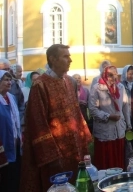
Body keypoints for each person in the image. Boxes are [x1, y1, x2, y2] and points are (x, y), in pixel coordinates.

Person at [20, 44, 92, 192]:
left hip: (75, 149)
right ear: (53, 59)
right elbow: (37, 124)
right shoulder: (40, 85)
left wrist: (84, 138)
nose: (70, 60)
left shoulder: (69, 81)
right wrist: (51, 156)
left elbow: (76, 113)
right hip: (56, 155)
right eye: (65, 56)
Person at [89, 65, 131, 170]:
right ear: (104, 75)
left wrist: (129, 125)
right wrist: (108, 116)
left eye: (115, 75)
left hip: (119, 130)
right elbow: (92, 109)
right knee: (106, 162)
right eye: (110, 75)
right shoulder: (97, 88)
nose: (113, 78)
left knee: (119, 161)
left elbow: (126, 106)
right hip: (105, 131)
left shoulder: (120, 87)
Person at [0, 70, 22, 192]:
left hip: (15, 141)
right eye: (6, 80)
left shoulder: (12, 97)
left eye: (10, 80)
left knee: (14, 173)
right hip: (2, 143)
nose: (9, 83)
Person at [0, 59, 25, 127]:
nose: (7, 71)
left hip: (15, 124)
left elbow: (21, 103)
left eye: (8, 69)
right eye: (4, 69)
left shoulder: (14, 84)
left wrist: (16, 118)